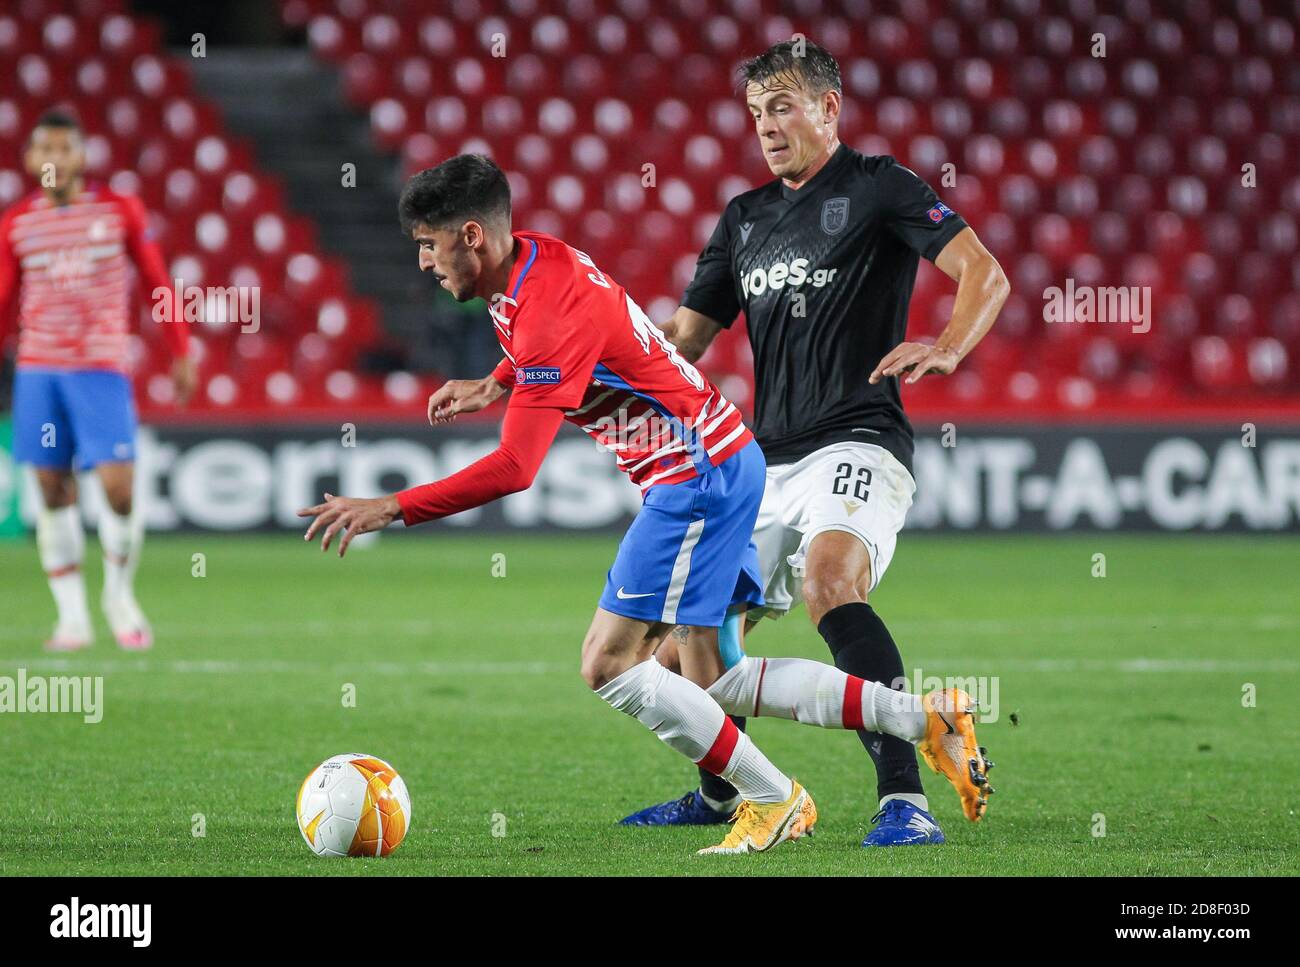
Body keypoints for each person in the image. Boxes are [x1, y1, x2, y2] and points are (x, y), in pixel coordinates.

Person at [297, 154, 989, 853]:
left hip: (695, 477)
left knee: (608, 662)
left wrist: (391, 508)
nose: (423, 262)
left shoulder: (543, 310)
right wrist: (495, 381)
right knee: (717, 674)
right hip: (727, 457)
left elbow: (514, 467)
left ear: (470, 235)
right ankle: (923, 715)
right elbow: (573, 339)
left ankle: (774, 798)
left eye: (427, 244)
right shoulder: (538, 260)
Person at [623, 39, 1009, 844]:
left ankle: (905, 799)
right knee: (684, 648)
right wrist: (575, 366)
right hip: (764, 458)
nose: (766, 126)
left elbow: (984, 272)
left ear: (829, 109)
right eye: (757, 112)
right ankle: (726, 793)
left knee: (831, 580)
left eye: (784, 107)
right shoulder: (745, 217)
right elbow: (682, 341)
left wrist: (949, 343)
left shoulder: (879, 187)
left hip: (859, 439)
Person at [0, 109, 196, 651]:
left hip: (101, 369)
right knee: (50, 488)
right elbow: (2, 301)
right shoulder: (18, 222)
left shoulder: (117, 211)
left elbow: (157, 280)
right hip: (39, 370)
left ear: (81, 156)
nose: (54, 160)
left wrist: (180, 348)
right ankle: (71, 619)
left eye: (65, 149)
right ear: (30, 160)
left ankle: (118, 595)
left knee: (118, 489)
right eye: (44, 150)